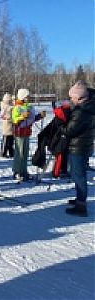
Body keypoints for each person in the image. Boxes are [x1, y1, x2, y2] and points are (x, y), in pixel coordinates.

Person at [60, 81, 95, 217]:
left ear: (80, 97)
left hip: (79, 147)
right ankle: (79, 199)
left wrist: (60, 123)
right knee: (76, 174)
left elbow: (70, 130)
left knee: (79, 176)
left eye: (72, 98)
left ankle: (81, 206)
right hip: (84, 145)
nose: (71, 100)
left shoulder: (82, 111)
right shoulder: (88, 106)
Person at [12, 88, 46, 182]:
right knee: (20, 153)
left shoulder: (28, 107)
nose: (28, 98)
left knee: (25, 153)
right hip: (19, 133)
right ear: (22, 97)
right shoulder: (17, 107)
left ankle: (23, 171)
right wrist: (22, 116)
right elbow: (14, 120)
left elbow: (31, 119)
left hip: (27, 132)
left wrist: (39, 116)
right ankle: (17, 172)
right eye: (27, 96)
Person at [0, 93, 14, 158]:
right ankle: (5, 152)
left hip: (9, 125)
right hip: (8, 125)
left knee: (9, 140)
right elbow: (8, 113)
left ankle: (9, 152)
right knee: (8, 140)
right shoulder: (6, 106)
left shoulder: (5, 106)